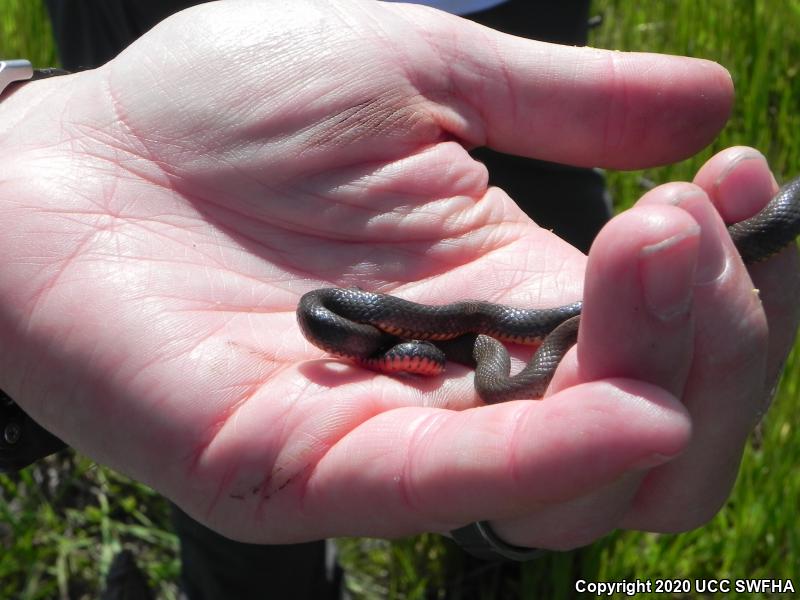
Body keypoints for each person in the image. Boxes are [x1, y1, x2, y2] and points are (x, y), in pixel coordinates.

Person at [2, 0, 796, 597]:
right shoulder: (372, 327)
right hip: (136, 16)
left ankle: (497, 553)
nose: (415, 359)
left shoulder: (480, 343)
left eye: (415, 354)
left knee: (552, 455)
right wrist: (26, 132)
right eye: (407, 354)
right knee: (247, 493)